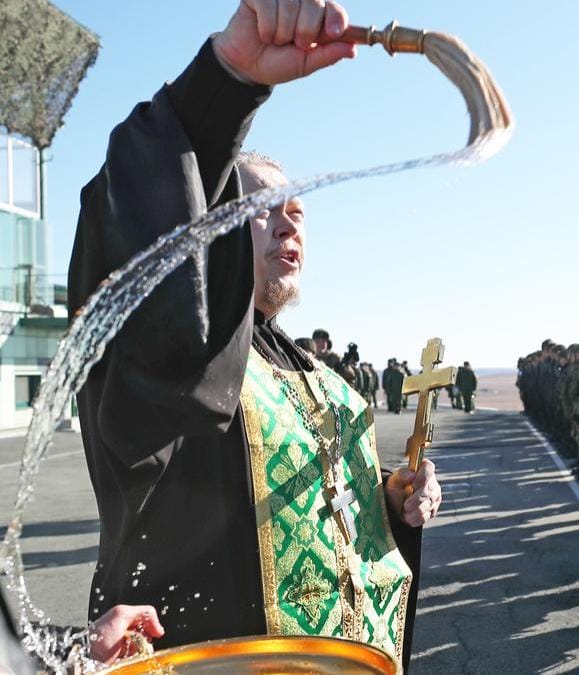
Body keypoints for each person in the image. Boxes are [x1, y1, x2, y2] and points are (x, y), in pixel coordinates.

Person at [67, 2, 442, 669]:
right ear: (206, 222)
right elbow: (137, 242)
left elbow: (334, 517)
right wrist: (223, 83)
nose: (288, 225)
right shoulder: (189, 355)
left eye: (296, 211)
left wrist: (388, 497)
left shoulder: (324, 379)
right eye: (261, 209)